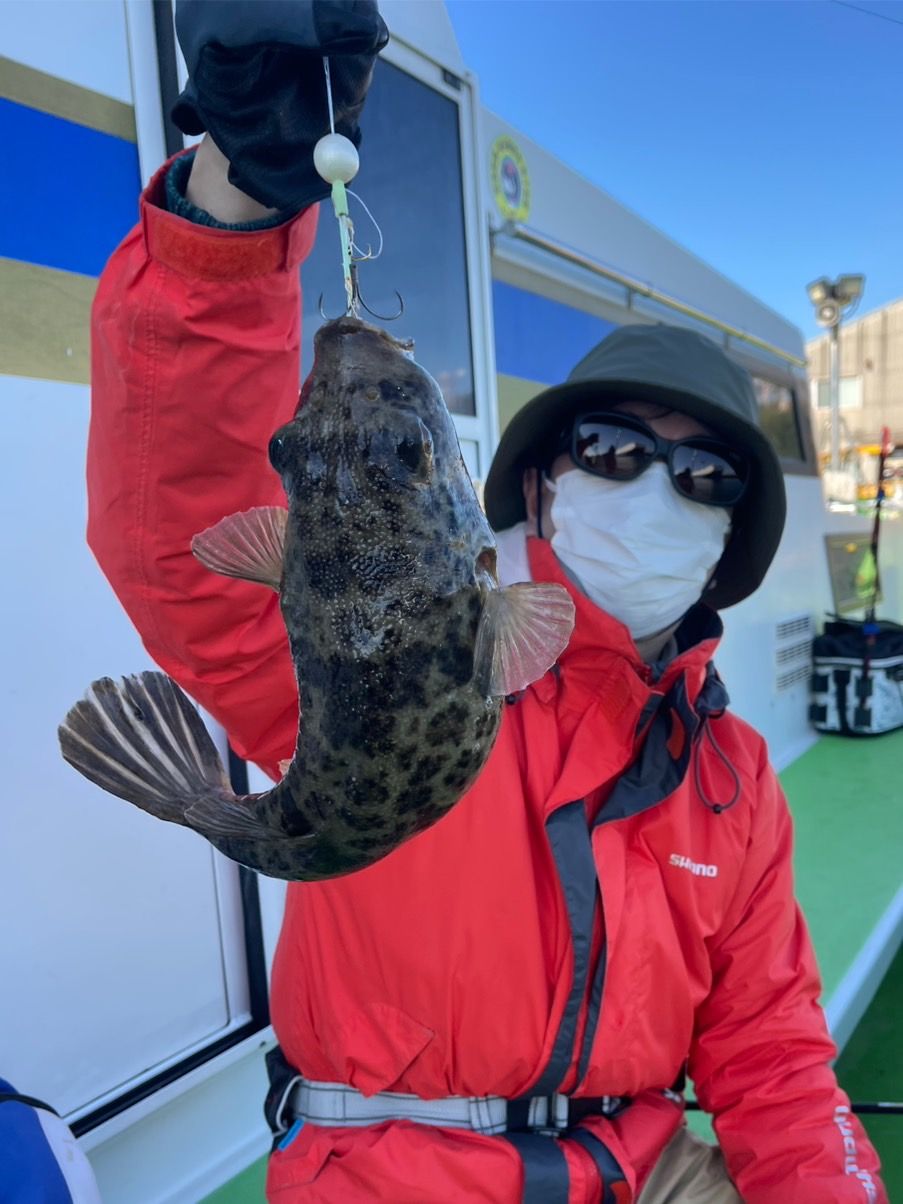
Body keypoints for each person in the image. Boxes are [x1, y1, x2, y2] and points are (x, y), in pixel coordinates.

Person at [86, 3, 886, 1200]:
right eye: (613, 449)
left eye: (707, 476)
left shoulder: (733, 775)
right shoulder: (399, 654)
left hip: (643, 1167)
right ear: (541, 484)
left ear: (732, 534)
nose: (656, 489)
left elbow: (771, 1049)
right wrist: (239, 198)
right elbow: (177, 528)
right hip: (394, 1167)